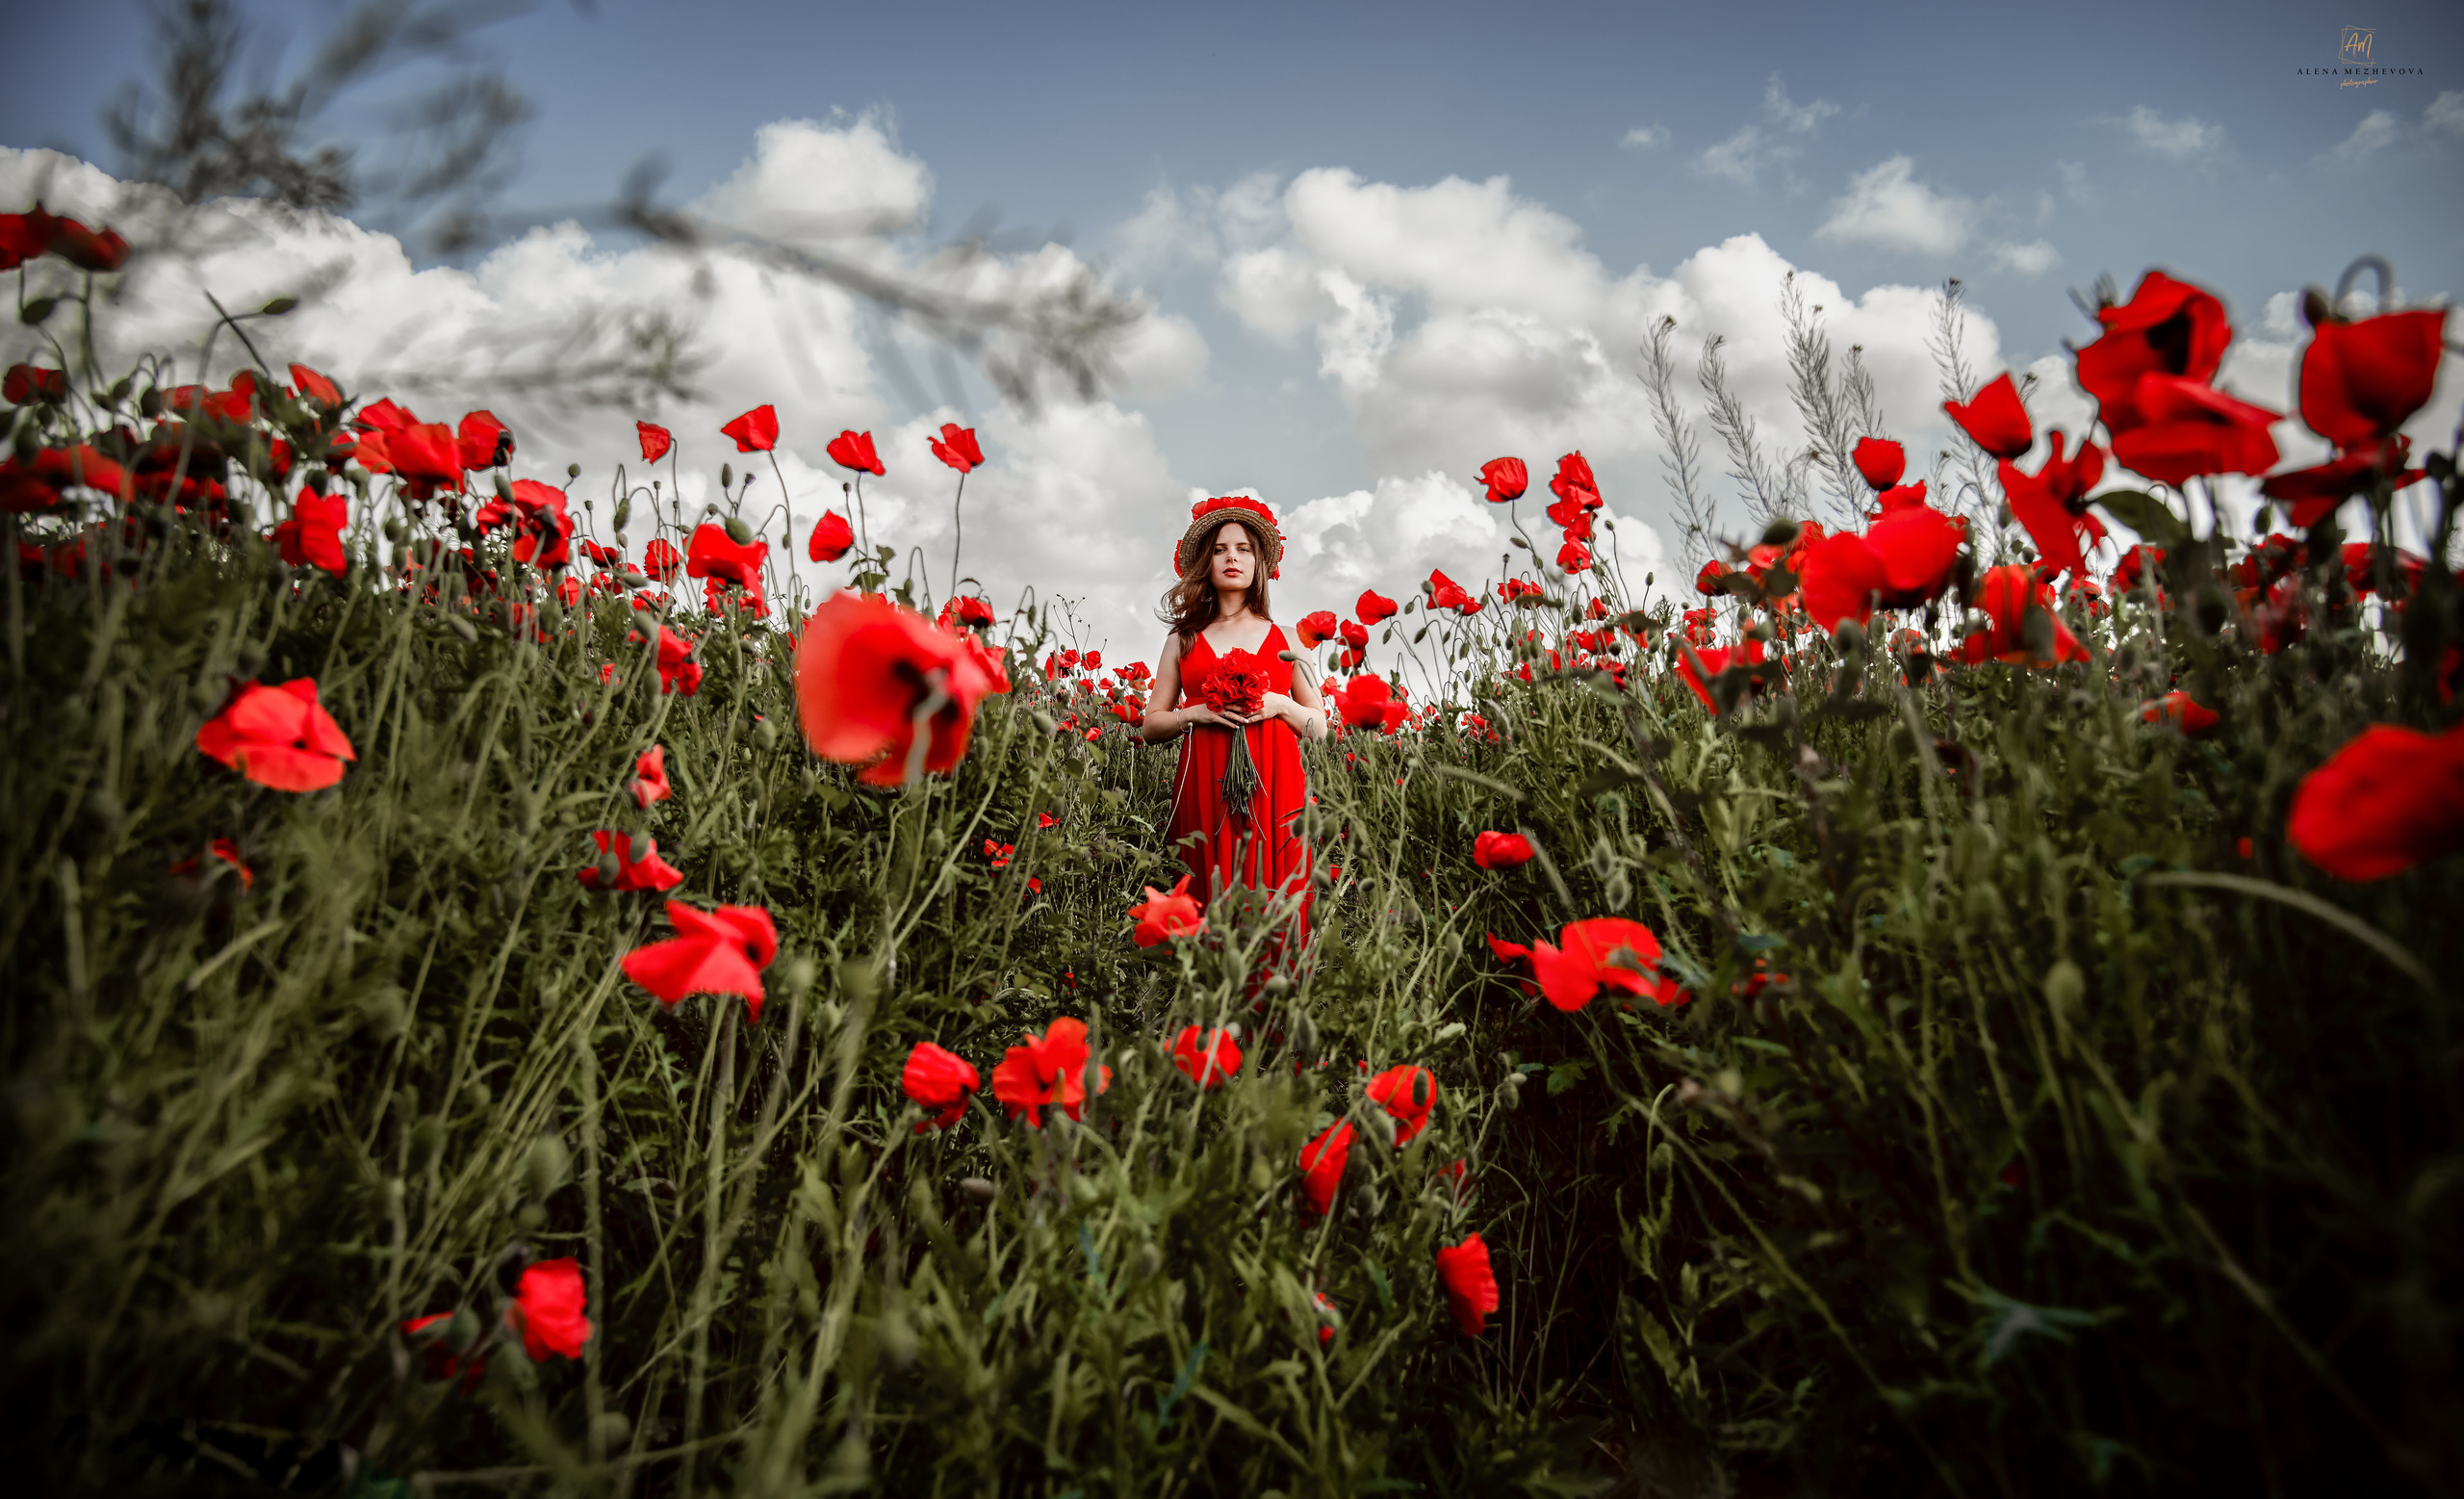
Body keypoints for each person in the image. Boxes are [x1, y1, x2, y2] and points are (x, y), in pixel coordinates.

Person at [1141, 497, 1326, 959]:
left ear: (1258, 563)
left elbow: (1321, 727)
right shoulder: (1183, 639)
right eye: (1222, 550)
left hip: (1276, 786)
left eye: (1244, 550)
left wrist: (1280, 703)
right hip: (1206, 784)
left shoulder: (1286, 638)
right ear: (1207, 562)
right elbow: (1151, 725)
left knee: (1277, 898)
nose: (1232, 559)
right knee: (1207, 898)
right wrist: (1195, 713)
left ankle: (1273, 1025)